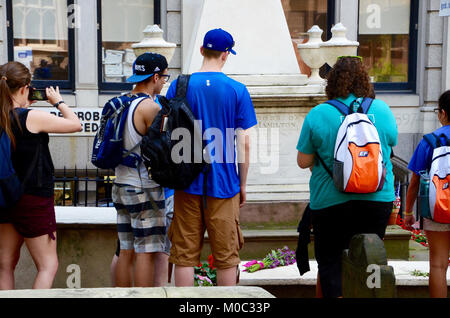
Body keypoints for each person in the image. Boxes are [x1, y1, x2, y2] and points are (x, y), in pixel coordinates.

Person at [296, 56, 398, 298]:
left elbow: (303, 161)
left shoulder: (319, 113)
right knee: (368, 259)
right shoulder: (381, 109)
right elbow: (391, 145)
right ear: (364, 80)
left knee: (330, 264)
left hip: (330, 201)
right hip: (377, 200)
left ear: (332, 82)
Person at [166, 28, 257, 286]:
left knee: (184, 255)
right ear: (226, 55)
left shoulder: (178, 86)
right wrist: (243, 184)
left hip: (186, 182)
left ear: (202, 50)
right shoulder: (237, 90)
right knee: (226, 256)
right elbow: (245, 142)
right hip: (225, 185)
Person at [0, 61, 82, 290]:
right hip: (33, 199)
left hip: (4, 198)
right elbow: (75, 125)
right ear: (25, 88)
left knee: (5, 265)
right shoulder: (30, 117)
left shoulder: (3, 116)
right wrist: (59, 102)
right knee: (47, 265)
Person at [112, 52, 171, 287]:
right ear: (155, 77)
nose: (164, 82)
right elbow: (165, 149)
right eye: (164, 78)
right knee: (146, 251)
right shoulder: (149, 107)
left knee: (125, 250)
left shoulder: (120, 101)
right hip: (143, 187)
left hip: (120, 185)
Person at [405, 90, 450, 298]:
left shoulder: (430, 141)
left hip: (437, 209)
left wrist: (407, 212)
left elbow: (414, 180)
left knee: (438, 265)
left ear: (442, 113)